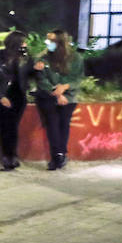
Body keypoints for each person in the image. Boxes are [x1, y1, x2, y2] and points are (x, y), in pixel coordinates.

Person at [31, 29, 84, 170]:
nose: (48, 43)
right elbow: (41, 79)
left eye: (52, 40)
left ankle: (61, 153)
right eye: (47, 40)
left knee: (63, 125)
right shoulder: (42, 58)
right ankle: (57, 156)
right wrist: (57, 93)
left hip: (69, 97)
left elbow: (77, 78)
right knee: (52, 124)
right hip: (48, 96)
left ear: (60, 43)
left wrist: (65, 88)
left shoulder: (75, 58)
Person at [0, 31, 31, 171]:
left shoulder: (24, 58)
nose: (25, 45)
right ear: (16, 43)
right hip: (0, 96)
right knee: (3, 127)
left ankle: (13, 156)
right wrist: (1, 97)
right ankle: (5, 157)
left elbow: (29, 76)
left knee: (13, 127)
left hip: (18, 97)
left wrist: (35, 68)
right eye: (23, 42)